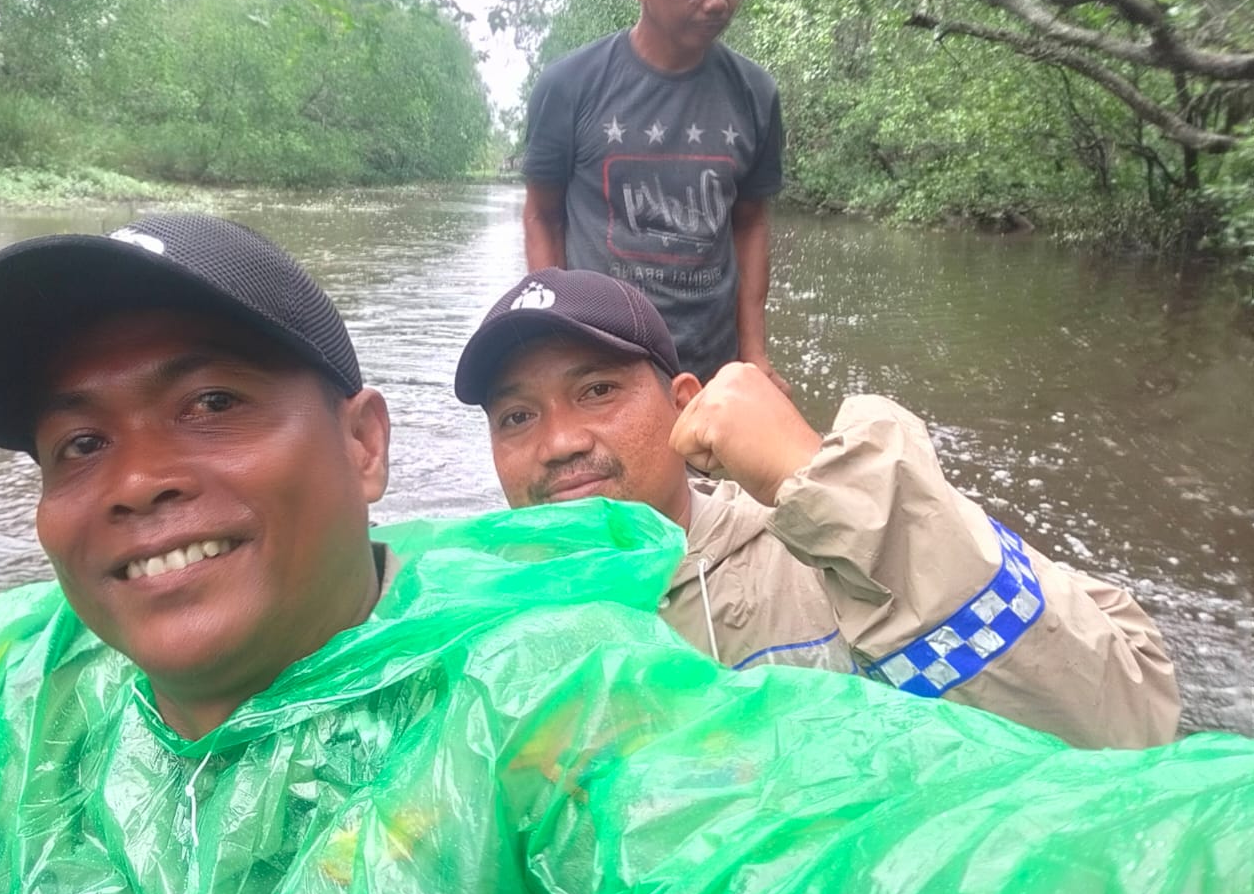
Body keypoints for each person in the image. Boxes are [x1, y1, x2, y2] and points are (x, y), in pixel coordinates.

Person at [0, 215, 1250, 894]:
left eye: (209, 401)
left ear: (358, 451)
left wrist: (833, 474)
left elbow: (984, 851)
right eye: (77, 439)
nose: (135, 476)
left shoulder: (548, 690)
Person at [454, 267, 1180, 749]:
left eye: (597, 392)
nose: (557, 442)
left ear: (685, 405)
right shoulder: (480, 616)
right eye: (515, 417)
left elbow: (1124, 727)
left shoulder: (827, 552)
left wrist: (819, 481)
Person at [520, 0, 787, 392]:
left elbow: (750, 224)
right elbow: (542, 214)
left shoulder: (755, 93)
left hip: (715, 370)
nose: (719, 1)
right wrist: (553, 335)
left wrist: (754, 354)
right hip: (601, 361)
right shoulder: (570, 86)